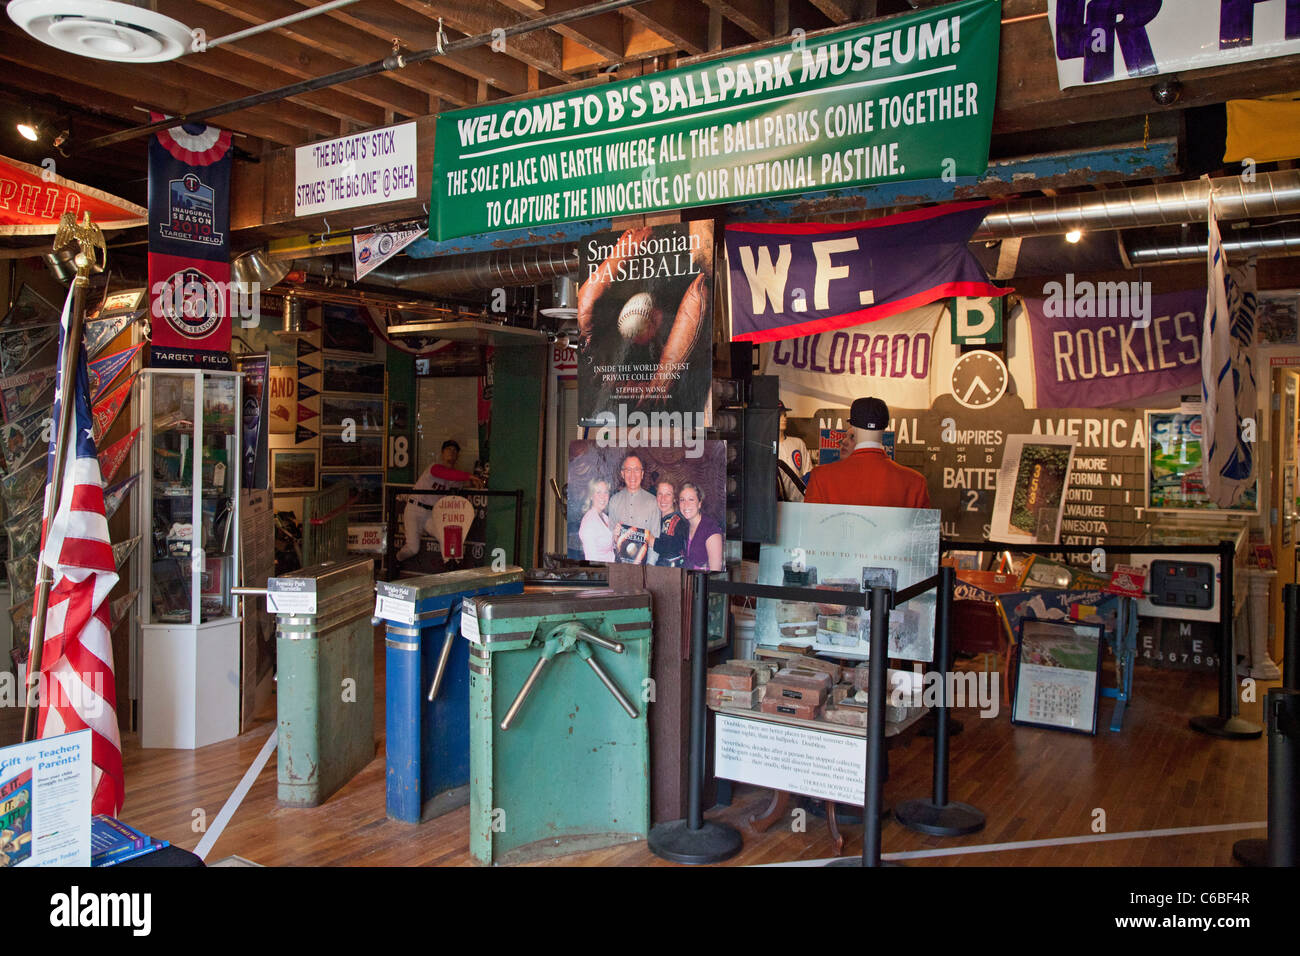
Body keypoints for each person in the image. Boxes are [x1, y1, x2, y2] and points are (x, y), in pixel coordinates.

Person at [804, 397, 930, 508]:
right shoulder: (915, 482)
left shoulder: (821, 477)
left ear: (853, 426)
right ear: (885, 427)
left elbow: (811, 531)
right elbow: (921, 534)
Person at [397, 439, 482, 561]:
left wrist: (477, 481)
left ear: (458, 456)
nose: (452, 452)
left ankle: (449, 569)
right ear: (442, 453)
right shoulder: (435, 467)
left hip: (432, 514)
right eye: (448, 449)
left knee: (448, 539)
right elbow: (447, 474)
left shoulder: (456, 479)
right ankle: (396, 561)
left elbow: (463, 481)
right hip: (415, 510)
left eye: (454, 450)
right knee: (412, 548)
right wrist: (469, 475)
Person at [607, 452, 659, 564]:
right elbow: (610, 540)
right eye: (628, 470)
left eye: (636, 470)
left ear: (642, 473)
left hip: (644, 567)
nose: (632, 475)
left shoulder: (653, 502)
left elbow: (655, 542)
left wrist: (650, 566)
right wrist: (614, 537)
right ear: (622, 473)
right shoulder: (614, 501)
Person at [679, 481, 724, 571]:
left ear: (699, 503)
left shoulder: (711, 530)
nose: (686, 504)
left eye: (691, 499)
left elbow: (716, 571)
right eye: (682, 499)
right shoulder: (684, 526)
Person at [649, 480, 687, 567]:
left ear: (674, 498)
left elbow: (673, 548)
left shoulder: (677, 520)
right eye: (660, 494)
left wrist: (653, 541)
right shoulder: (656, 517)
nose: (663, 498)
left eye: (668, 494)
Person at [777, 402, 809, 502]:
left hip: (798, 499)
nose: (784, 418)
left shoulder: (798, 443)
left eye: (785, 415)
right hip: (778, 499)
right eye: (779, 415)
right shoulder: (764, 446)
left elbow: (807, 473)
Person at [578, 478, 616, 562]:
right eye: (598, 492)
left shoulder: (604, 516)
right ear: (591, 496)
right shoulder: (589, 523)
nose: (603, 497)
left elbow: (609, 545)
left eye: (606, 492)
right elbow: (592, 561)